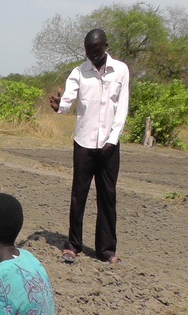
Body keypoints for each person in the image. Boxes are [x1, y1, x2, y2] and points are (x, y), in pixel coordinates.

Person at [49, 29, 129, 264]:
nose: (91, 55)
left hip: (109, 145)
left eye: (95, 51)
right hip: (83, 143)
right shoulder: (79, 72)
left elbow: (122, 107)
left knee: (107, 196)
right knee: (78, 194)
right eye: (88, 51)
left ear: (105, 46)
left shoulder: (121, 70)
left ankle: (106, 251)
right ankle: (73, 245)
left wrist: (112, 139)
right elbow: (68, 100)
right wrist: (59, 106)